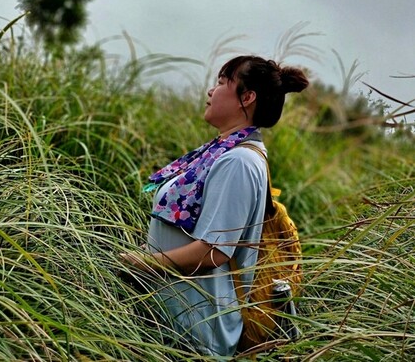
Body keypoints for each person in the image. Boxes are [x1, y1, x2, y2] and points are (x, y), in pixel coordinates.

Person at [119, 55, 309, 357]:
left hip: (197, 330)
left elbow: (215, 250)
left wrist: (144, 265)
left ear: (246, 98)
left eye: (222, 82)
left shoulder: (239, 161)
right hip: (176, 318)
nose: (211, 90)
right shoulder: (221, 152)